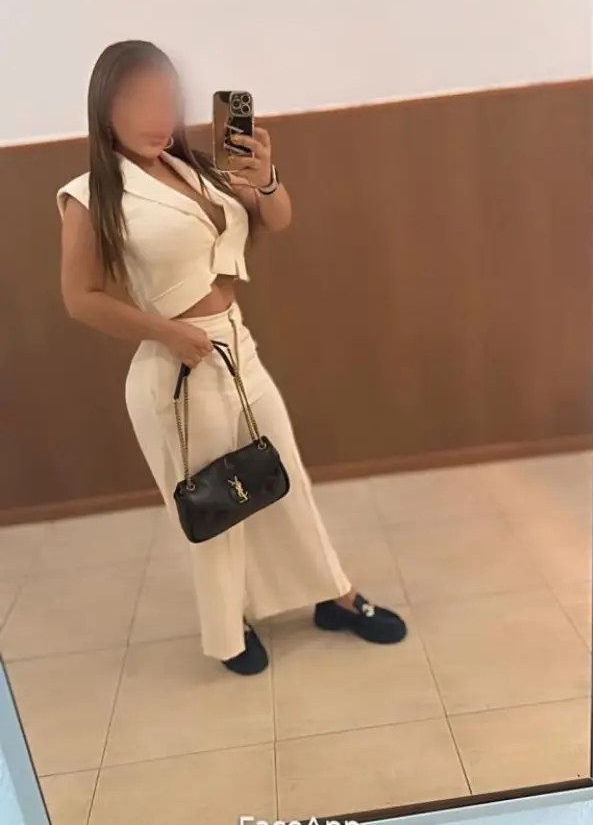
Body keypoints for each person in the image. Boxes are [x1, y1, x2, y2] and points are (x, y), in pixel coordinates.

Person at [57, 40, 407, 675]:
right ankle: (229, 630)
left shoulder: (197, 169)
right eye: (139, 101)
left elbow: (276, 220)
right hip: (176, 369)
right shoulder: (90, 195)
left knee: (285, 478)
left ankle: (335, 596)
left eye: (166, 99)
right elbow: (79, 298)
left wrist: (265, 177)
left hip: (237, 347)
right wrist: (165, 332)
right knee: (216, 506)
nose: (158, 115)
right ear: (105, 108)